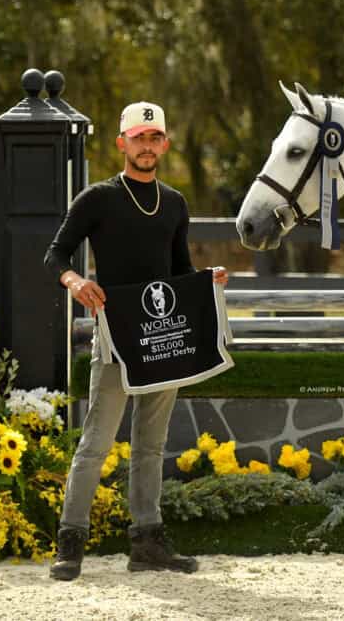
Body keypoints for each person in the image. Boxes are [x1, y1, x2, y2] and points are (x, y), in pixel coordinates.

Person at [44, 101, 229, 581]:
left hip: (163, 339)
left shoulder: (174, 203)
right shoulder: (97, 199)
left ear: (164, 145)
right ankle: (70, 543)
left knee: (151, 445)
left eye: (155, 138)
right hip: (115, 338)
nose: (147, 146)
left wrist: (208, 282)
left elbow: (180, 272)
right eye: (139, 138)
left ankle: (147, 543)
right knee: (96, 442)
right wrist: (74, 282)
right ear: (122, 142)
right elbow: (55, 254)